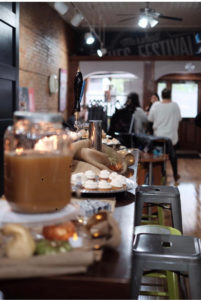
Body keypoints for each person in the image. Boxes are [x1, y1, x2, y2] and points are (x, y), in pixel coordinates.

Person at [148, 88, 181, 182]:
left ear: (161, 95)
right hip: (172, 137)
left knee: (160, 154)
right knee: (172, 154)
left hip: (159, 136)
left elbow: (150, 119)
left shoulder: (156, 105)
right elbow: (179, 119)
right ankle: (175, 174)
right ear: (170, 95)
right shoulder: (175, 105)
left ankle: (162, 174)